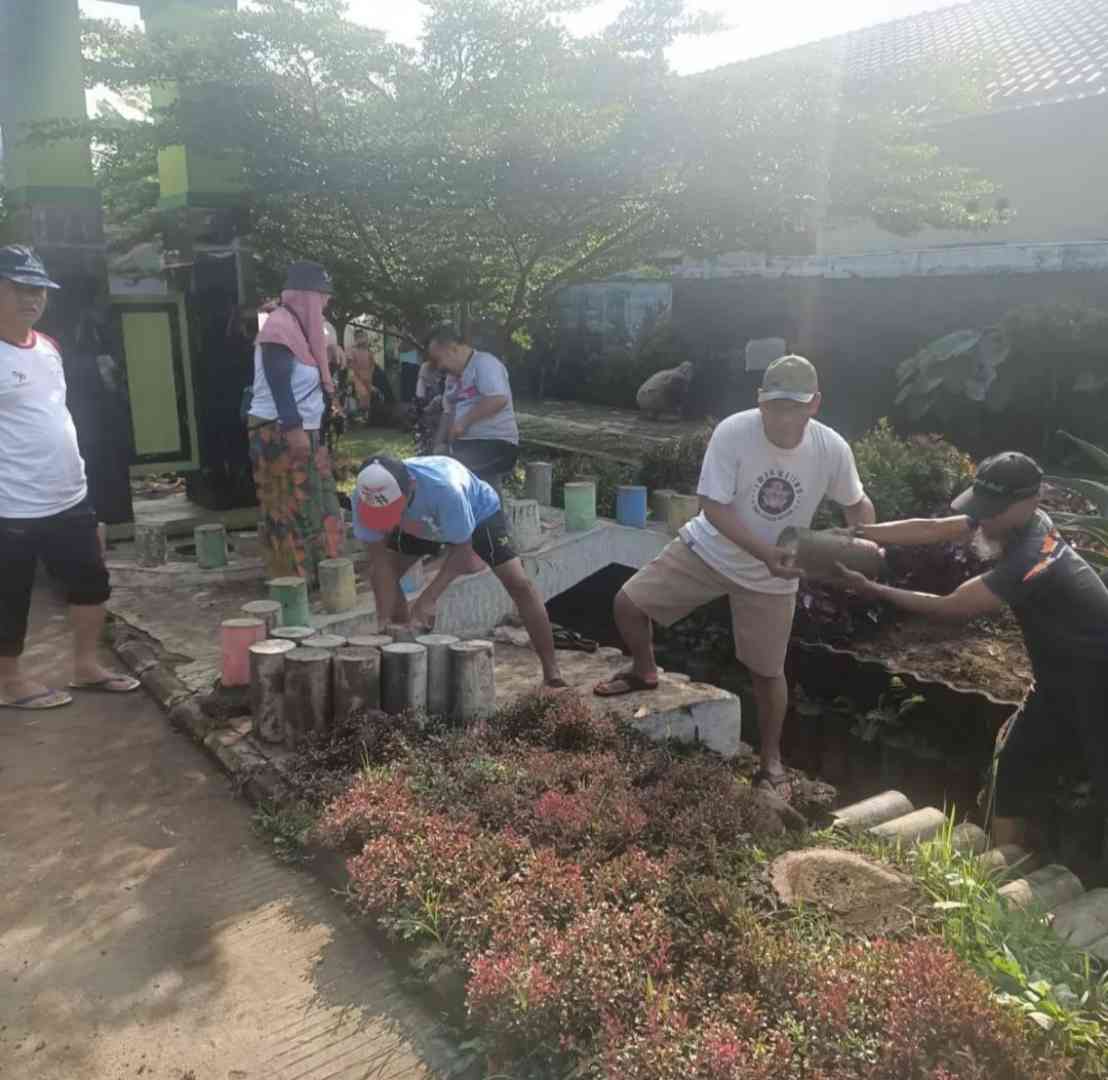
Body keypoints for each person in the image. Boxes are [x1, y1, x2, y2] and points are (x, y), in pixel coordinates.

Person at [594, 355, 875, 799]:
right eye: (773, 405)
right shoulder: (734, 432)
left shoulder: (831, 448)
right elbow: (715, 507)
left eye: (793, 406)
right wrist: (764, 552)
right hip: (711, 548)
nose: (782, 415)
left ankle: (770, 760)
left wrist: (860, 540)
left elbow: (857, 504)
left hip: (775, 572)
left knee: (766, 672)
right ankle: (644, 669)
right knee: (628, 604)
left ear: (814, 404)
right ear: (760, 400)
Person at [834, 451, 1108, 850]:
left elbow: (951, 607)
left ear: (1030, 503)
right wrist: (860, 534)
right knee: (1012, 771)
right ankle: (1003, 877)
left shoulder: (1031, 559)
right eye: (981, 507)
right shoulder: (1021, 522)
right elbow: (933, 528)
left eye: (993, 510)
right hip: (1058, 682)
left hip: (1099, 685)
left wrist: (872, 589)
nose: (984, 519)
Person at [0, 244, 140, 710]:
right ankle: (9, 682)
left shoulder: (49, 348)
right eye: (19, 288)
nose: (31, 298)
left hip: (68, 494)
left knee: (91, 583)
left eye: (38, 289)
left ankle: (85, 667)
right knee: (9, 596)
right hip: (10, 503)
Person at [353, 454, 566, 689]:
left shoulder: (446, 489)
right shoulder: (365, 495)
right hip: (419, 524)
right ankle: (404, 653)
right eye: (382, 514)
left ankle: (551, 670)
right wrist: (384, 621)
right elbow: (380, 561)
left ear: (411, 485)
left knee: (519, 583)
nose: (386, 521)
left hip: (477, 515)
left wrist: (428, 598)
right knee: (382, 577)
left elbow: (464, 555)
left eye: (393, 509)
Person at [248, 260, 345, 585]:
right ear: (305, 297)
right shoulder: (278, 327)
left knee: (320, 501)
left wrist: (330, 353)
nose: (327, 303)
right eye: (323, 297)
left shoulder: (303, 329)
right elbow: (279, 383)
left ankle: (325, 576)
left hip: (306, 430)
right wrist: (293, 429)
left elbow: (310, 359)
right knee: (288, 508)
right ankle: (292, 585)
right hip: (280, 431)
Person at [426, 324, 520, 486]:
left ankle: (490, 511)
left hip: (496, 444)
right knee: (434, 470)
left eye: (439, 359)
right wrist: (438, 447)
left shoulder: (485, 364)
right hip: (466, 446)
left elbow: (498, 398)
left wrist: (464, 421)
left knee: (453, 472)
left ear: (453, 349)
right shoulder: (452, 378)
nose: (439, 366)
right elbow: (448, 413)